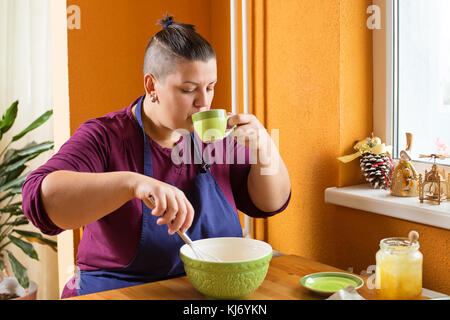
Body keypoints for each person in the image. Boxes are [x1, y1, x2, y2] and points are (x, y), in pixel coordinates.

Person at [22, 15, 291, 298]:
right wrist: (133, 184)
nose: (204, 102)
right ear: (151, 87)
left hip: (203, 291)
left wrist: (265, 148)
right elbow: (39, 199)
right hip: (119, 291)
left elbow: (270, 203)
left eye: (210, 87)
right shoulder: (105, 136)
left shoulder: (216, 136)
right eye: (189, 90)